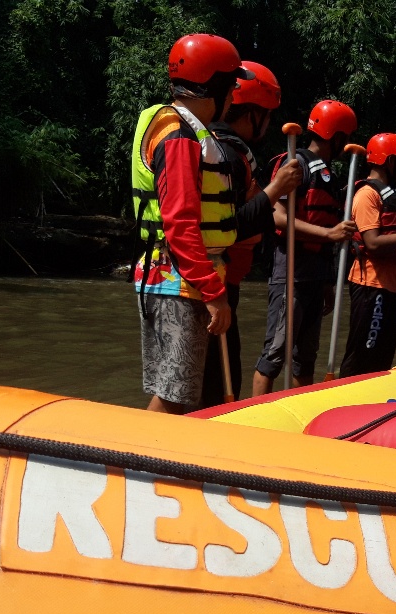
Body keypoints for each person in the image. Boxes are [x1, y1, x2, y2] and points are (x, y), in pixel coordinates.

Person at [130, 34, 249, 414]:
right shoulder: (179, 135)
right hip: (178, 281)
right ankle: (136, 464)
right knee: (175, 396)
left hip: (177, 278)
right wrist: (215, 293)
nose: (232, 96)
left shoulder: (183, 127)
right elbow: (180, 222)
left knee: (182, 394)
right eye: (230, 85)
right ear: (213, 86)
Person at [199, 62, 301, 408]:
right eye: (267, 115)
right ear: (253, 112)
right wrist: (276, 189)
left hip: (226, 282)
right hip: (215, 285)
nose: (269, 123)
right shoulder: (226, 153)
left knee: (218, 385)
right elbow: (231, 227)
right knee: (215, 390)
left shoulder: (224, 148)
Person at [252, 99, 358, 395]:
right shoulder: (294, 162)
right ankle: (252, 420)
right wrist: (329, 233)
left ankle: (297, 416)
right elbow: (278, 216)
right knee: (275, 352)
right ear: (336, 136)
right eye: (345, 137)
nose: (346, 143)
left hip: (315, 275)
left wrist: (327, 283)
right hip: (291, 272)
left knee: (305, 358)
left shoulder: (330, 175)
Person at [338, 133, 396, 377]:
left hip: (390, 285)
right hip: (370, 285)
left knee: (382, 360)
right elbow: (373, 243)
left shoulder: (393, 195)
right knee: (362, 357)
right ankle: (348, 403)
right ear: (390, 161)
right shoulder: (367, 195)